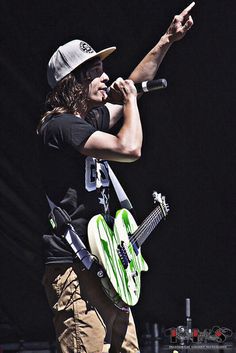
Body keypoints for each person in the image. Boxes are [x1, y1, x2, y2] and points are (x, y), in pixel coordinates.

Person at [38, 3, 195, 352]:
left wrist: (167, 39)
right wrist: (133, 104)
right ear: (73, 84)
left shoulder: (85, 120)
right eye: (95, 72)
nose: (106, 78)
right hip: (76, 273)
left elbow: (134, 83)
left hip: (108, 270)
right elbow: (129, 148)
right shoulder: (60, 128)